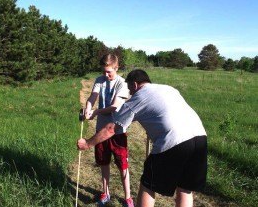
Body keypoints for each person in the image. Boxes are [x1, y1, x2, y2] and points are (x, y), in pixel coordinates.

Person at [78, 69, 207, 207]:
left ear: (134, 84)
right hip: (200, 138)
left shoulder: (139, 97)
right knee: (185, 188)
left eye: (130, 90)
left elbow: (111, 129)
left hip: (173, 141)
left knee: (148, 186)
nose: (130, 94)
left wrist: (87, 143)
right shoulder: (168, 89)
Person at [84, 54, 134, 207]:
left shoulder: (122, 83)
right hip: (101, 131)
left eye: (109, 72)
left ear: (116, 68)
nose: (106, 75)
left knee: (122, 165)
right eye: (104, 71)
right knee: (103, 163)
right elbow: (93, 96)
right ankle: (105, 193)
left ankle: (128, 198)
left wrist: (96, 112)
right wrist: (88, 108)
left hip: (117, 130)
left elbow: (113, 107)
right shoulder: (100, 80)